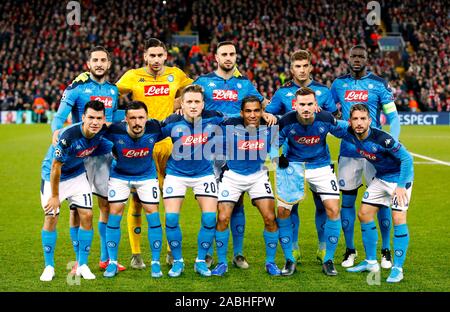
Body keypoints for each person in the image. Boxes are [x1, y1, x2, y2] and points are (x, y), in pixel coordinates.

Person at [193, 41, 276, 270]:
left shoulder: (244, 83)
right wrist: (181, 106)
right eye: (224, 54)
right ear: (216, 58)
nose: (228, 57)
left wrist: (268, 112)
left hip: (239, 149)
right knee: (210, 204)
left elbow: (261, 104)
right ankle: (207, 253)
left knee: (236, 203)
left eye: (232, 54)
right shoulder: (203, 82)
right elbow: (187, 100)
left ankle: (237, 254)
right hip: (211, 149)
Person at [115, 38, 193, 269]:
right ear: (145, 57)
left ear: (166, 56)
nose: (156, 60)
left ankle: (170, 251)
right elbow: (110, 93)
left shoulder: (176, 74)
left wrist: (178, 102)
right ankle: (136, 253)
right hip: (142, 145)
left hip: (170, 144)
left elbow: (196, 89)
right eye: (152, 56)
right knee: (138, 199)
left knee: (171, 199)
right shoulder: (132, 76)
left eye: (160, 55)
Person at [52, 46, 125, 273]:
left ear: (109, 64)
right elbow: (59, 117)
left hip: (103, 155)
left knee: (105, 204)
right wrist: (56, 134)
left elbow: (112, 120)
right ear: (88, 64)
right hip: (80, 156)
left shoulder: (113, 91)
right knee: (77, 210)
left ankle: (105, 258)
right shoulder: (76, 88)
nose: (100, 63)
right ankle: (78, 262)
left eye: (103, 60)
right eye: (95, 60)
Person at [265, 49, 339, 264]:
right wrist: (274, 116)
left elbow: (334, 117)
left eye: (305, 65)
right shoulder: (282, 93)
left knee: (322, 205)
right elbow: (269, 116)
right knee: (291, 205)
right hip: (292, 159)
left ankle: (323, 247)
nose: (302, 70)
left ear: (310, 67)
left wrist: (320, 113)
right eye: (297, 66)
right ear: (291, 69)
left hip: (320, 157)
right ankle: (294, 247)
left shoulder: (323, 91)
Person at [331, 45, 400, 269]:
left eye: (361, 56)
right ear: (348, 58)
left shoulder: (379, 84)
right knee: (348, 203)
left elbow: (393, 117)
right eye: (354, 56)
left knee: (381, 203)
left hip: (375, 155)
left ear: (367, 58)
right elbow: (329, 111)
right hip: (348, 153)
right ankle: (350, 250)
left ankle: (386, 250)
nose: (357, 59)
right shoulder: (338, 84)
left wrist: (391, 145)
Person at [273, 87, 348, 276]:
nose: (306, 108)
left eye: (309, 104)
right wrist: (277, 158)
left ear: (316, 105)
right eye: (302, 104)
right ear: (294, 105)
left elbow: (345, 130)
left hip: (321, 166)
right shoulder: (286, 121)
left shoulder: (326, 119)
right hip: (293, 166)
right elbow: (273, 144)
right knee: (283, 211)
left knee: (333, 209)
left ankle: (328, 259)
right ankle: (290, 258)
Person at [211, 96, 281, 276]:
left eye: (257, 110)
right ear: (241, 113)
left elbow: (273, 153)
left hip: (258, 176)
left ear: (262, 111)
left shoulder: (270, 127)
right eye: (248, 111)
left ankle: (270, 262)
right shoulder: (229, 126)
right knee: (223, 218)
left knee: (270, 218)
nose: (252, 115)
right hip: (232, 176)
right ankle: (221, 263)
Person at [160, 84, 225, 278]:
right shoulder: (171, 122)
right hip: (176, 174)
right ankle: (177, 261)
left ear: (203, 104)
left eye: (197, 101)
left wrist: (266, 115)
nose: (194, 105)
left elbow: (243, 119)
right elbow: (148, 135)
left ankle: (200, 261)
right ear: (181, 104)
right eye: (189, 101)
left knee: (209, 219)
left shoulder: (215, 118)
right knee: (171, 220)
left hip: (204, 174)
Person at [344, 104, 413, 283]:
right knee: (364, 214)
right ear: (350, 122)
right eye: (355, 119)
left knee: (398, 219)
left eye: (363, 119)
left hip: (399, 179)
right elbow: (332, 123)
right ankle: (371, 262)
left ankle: (398, 268)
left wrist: (400, 186)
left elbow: (407, 158)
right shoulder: (350, 133)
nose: (359, 123)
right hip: (381, 178)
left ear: (370, 121)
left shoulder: (383, 139)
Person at [39, 100, 107, 281]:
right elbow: (55, 167)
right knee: (51, 216)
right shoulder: (68, 136)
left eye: (99, 118)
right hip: (53, 176)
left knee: (87, 215)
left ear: (103, 120)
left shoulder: (102, 132)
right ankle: (49, 266)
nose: (95, 122)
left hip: (77, 175)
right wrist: (55, 196)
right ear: (83, 117)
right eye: (91, 117)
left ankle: (82, 264)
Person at [102, 101, 164, 278]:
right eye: (133, 118)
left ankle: (155, 263)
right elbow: (91, 130)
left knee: (153, 213)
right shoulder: (114, 130)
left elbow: (178, 125)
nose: (137, 122)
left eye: (141, 117)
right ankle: (112, 263)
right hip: (119, 175)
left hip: (146, 176)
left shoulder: (155, 128)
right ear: (126, 119)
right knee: (115, 213)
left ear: (147, 118)